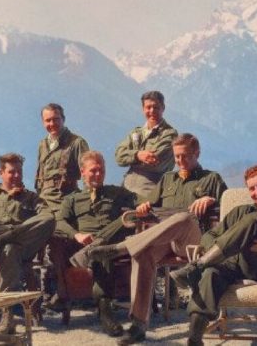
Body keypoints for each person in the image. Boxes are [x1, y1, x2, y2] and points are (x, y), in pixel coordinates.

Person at [84, 133, 228, 344]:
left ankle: (121, 248)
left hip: (194, 243)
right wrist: (143, 207)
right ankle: (138, 325)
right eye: (177, 157)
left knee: (184, 218)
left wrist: (211, 198)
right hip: (165, 241)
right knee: (142, 254)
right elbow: (148, 204)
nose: (180, 161)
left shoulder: (211, 178)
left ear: (197, 153)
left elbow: (228, 211)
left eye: (185, 156)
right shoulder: (167, 179)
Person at [170, 165, 257, 346]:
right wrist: (218, 250)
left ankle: (195, 267)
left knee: (251, 222)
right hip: (232, 266)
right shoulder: (240, 212)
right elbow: (210, 236)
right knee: (211, 274)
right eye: (252, 188)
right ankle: (195, 338)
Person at [0, 153, 55, 334]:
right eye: (11, 172)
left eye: (19, 172)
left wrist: (11, 234)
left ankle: (4, 238)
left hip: (23, 245)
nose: (16, 176)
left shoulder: (30, 197)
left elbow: (47, 217)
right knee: (8, 248)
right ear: (1, 173)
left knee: (49, 218)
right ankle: (8, 316)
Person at [52, 151, 139, 337]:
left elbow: (143, 202)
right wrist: (77, 235)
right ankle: (106, 312)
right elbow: (59, 222)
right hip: (86, 246)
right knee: (101, 251)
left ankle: (105, 310)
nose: (98, 175)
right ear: (82, 172)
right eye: (93, 171)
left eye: (101, 170)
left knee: (123, 221)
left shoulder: (117, 193)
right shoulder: (73, 199)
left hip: (115, 247)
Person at [33, 103, 89, 308]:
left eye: (56, 119)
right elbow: (39, 176)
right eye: (47, 120)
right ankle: (36, 294)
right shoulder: (42, 144)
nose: (52, 124)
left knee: (57, 238)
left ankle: (64, 292)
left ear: (63, 119)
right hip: (44, 202)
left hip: (65, 200)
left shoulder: (76, 143)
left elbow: (87, 172)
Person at [115, 91, 178, 198]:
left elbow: (153, 161)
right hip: (126, 187)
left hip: (149, 190)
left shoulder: (170, 134)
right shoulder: (136, 133)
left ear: (163, 108)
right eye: (148, 107)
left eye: (156, 107)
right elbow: (118, 157)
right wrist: (138, 155)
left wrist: (130, 158)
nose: (152, 111)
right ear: (143, 109)